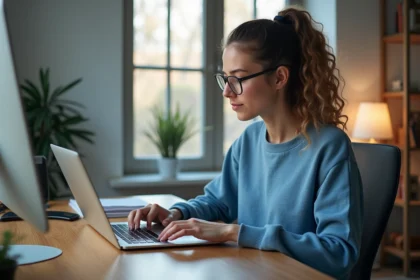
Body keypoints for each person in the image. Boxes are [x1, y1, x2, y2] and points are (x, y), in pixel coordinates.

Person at [128, 7, 363, 280]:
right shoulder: (249, 141)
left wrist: (233, 232)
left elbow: (339, 253)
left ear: (279, 78)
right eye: (225, 78)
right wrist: (176, 214)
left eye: (237, 79)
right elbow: (219, 202)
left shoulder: (330, 148)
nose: (227, 91)